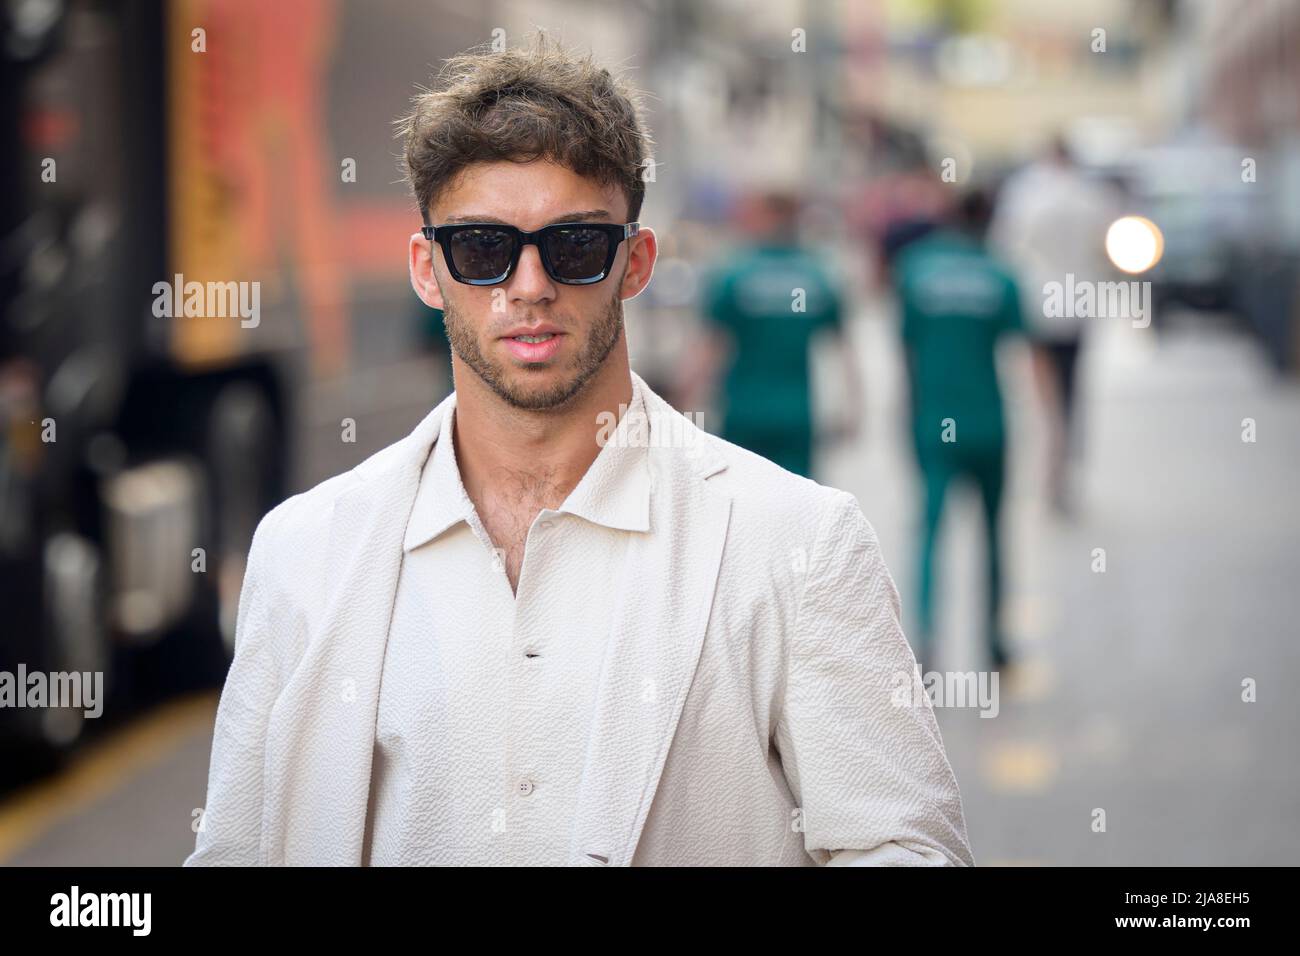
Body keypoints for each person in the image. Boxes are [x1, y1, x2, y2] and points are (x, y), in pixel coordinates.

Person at [186, 36, 971, 867]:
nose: (530, 286)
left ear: (635, 265)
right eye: (484, 249)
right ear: (427, 269)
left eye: (575, 246)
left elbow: (905, 849)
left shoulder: (800, 543)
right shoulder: (302, 552)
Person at [893, 189, 1026, 673]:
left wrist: (905, 416)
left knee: (929, 532)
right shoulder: (1000, 274)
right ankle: (995, 642)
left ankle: (924, 645)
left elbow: (905, 352)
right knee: (993, 533)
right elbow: (1024, 354)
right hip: (988, 423)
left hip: (933, 422)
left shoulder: (916, 271)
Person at [689, 189, 862, 479]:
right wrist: (854, 406)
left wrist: (684, 402)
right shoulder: (816, 276)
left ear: (767, 216)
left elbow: (711, 347)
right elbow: (844, 349)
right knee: (796, 503)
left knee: (740, 501)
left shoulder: (736, 274)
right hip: (796, 413)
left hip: (743, 411)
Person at [987, 136, 1117, 514]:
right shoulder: (1091, 194)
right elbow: (1105, 248)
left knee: (1042, 396)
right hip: (1077, 303)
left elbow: (1005, 249)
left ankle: (1047, 469)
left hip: (1039, 306)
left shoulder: (1025, 193)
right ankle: (1062, 472)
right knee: (1072, 389)